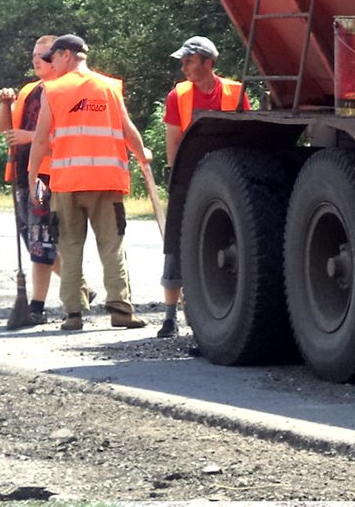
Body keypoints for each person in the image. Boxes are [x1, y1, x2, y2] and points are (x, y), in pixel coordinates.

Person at [26, 34, 153, 331]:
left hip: (67, 184)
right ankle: (121, 309)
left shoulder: (53, 90)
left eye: (53, 58)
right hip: (106, 182)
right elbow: (127, 128)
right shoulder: (109, 87)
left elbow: (41, 139)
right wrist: (142, 154)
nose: (51, 64)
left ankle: (73, 315)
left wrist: (33, 179)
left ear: (67, 55)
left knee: (70, 247)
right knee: (112, 246)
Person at [0, 34, 97, 324]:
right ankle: (80, 285)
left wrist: (30, 137)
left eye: (43, 55)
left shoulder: (66, 92)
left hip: (51, 174)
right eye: (34, 55)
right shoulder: (29, 90)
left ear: (57, 57)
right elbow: (1, 127)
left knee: (42, 242)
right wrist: (5, 105)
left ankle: (36, 307)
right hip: (25, 174)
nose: (37, 60)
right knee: (35, 240)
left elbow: (73, 135)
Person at [158, 36, 247, 338]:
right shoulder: (178, 95)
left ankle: (209, 314)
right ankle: (170, 317)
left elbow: (248, 136)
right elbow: (173, 140)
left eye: (189, 61)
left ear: (208, 63)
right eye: (183, 62)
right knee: (176, 247)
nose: (183, 67)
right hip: (189, 180)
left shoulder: (235, 92)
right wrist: (175, 179)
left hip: (227, 184)